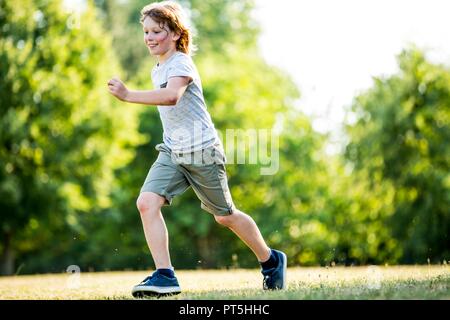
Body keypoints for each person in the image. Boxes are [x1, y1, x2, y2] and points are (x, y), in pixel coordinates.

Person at [107, 1, 286, 298]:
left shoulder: (180, 63)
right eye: (146, 32)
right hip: (173, 152)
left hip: (202, 151)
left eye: (157, 31)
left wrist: (128, 95)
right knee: (146, 203)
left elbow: (171, 97)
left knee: (225, 217)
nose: (149, 37)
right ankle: (165, 275)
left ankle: (270, 260)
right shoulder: (159, 66)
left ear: (176, 33)